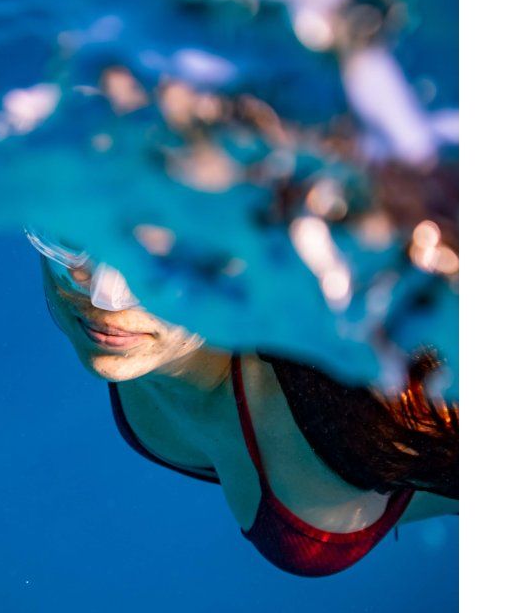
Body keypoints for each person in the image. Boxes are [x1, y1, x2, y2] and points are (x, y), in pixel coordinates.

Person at [29, 230, 458, 577]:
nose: (104, 297)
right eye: (76, 235)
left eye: (167, 256)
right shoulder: (109, 334)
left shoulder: (349, 390)